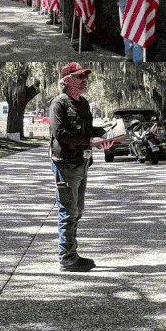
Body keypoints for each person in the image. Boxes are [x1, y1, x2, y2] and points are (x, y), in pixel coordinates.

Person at [49, 63, 112, 271]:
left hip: (82, 163)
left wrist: (104, 134)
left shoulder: (83, 103)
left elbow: (86, 130)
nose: (84, 79)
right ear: (67, 81)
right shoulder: (59, 104)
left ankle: (72, 253)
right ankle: (66, 258)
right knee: (68, 211)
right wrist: (89, 140)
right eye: (79, 77)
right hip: (65, 164)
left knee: (77, 210)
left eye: (85, 76)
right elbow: (61, 135)